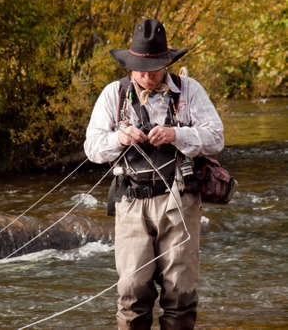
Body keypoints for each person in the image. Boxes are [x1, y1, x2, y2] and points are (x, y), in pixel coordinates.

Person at [84, 18, 224, 329]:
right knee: (132, 294)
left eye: (155, 68)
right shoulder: (112, 95)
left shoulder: (190, 90)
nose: (147, 76)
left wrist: (177, 135)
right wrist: (119, 138)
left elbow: (216, 137)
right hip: (131, 201)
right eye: (140, 69)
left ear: (167, 63)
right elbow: (92, 149)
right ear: (129, 65)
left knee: (180, 295)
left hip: (181, 201)